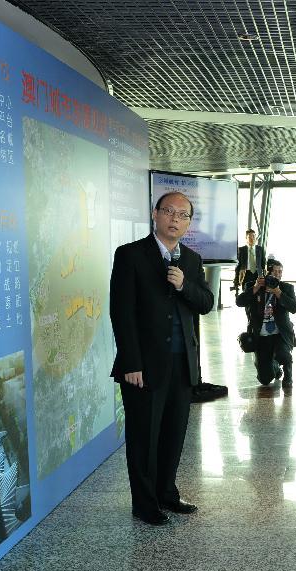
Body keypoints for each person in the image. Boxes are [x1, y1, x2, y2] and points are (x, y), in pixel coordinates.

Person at [110, 191, 214, 526]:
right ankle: (144, 503)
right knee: (144, 437)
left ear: (188, 223)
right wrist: (131, 362)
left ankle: (167, 493)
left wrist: (185, 286)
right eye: (168, 211)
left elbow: (206, 302)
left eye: (183, 215)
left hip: (182, 363)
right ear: (155, 214)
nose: (175, 219)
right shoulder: (130, 255)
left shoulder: (193, 261)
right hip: (144, 366)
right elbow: (121, 313)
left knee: (173, 433)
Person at [237, 259, 296, 388]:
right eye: (274, 271)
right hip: (262, 336)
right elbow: (239, 302)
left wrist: (278, 293)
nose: (277, 274)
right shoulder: (253, 286)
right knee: (265, 379)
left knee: (283, 354)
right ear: (266, 273)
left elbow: (294, 308)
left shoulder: (286, 288)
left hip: (280, 334)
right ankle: (275, 367)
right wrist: (255, 288)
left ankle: (288, 375)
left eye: (280, 272)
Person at [233, 228, 266, 292]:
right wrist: (236, 279)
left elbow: (263, 264)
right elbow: (238, 266)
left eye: (253, 236)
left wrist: (264, 277)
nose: (252, 238)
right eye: (249, 237)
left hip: (258, 275)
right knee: (246, 292)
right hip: (246, 275)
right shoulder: (241, 250)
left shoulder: (260, 249)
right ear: (246, 238)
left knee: (258, 293)